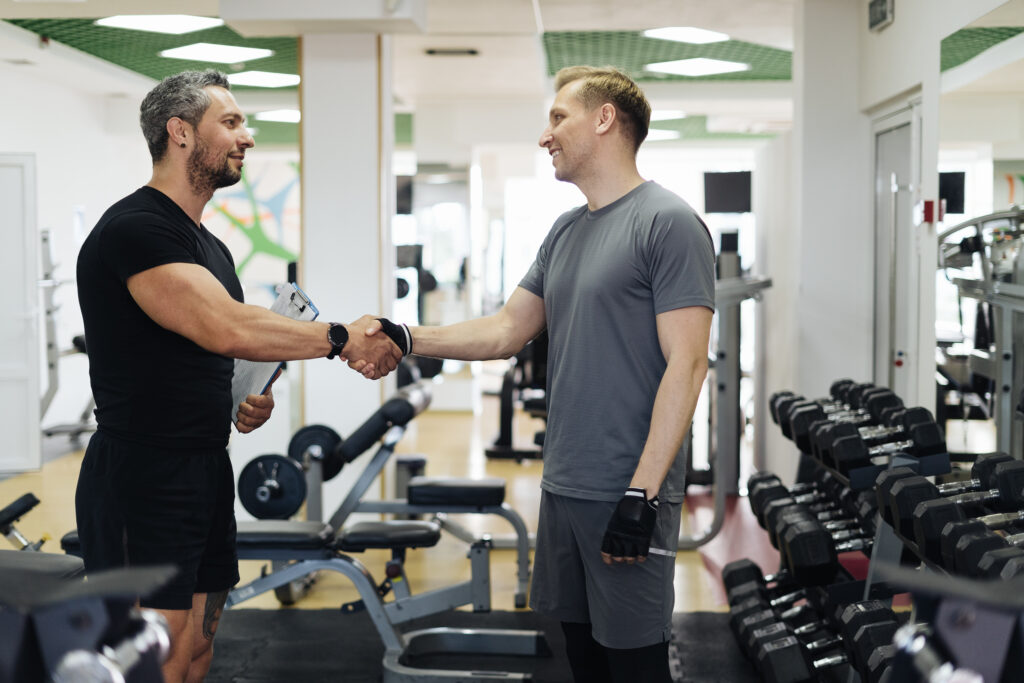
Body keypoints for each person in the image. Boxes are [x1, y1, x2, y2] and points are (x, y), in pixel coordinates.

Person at [357, 66, 715, 682]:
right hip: (565, 482)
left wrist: (642, 493)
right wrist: (407, 335)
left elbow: (688, 362)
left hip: (625, 489)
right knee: (580, 659)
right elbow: (505, 330)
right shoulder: (566, 231)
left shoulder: (668, 222)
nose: (544, 135)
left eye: (558, 118)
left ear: (605, 119)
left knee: (634, 665)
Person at [74, 69, 401, 683]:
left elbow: (215, 350)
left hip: (201, 466)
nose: (246, 136)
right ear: (179, 133)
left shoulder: (210, 247)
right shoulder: (137, 229)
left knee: (197, 651)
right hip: (141, 474)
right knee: (155, 660)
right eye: (230, 122)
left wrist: (246, 398)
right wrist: (339, 338)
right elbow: (224, 326)